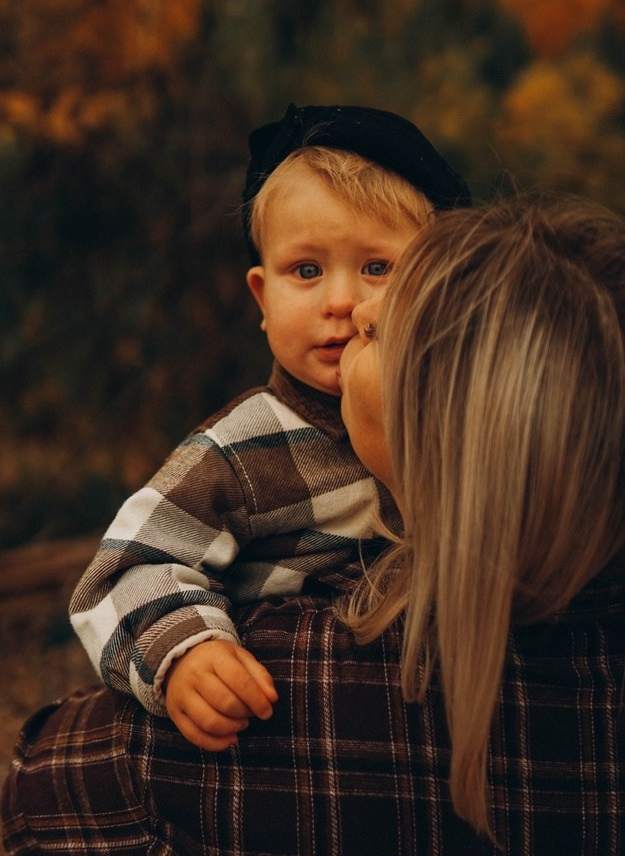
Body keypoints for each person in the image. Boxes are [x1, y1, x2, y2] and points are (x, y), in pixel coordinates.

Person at [4, 201, 625, 856]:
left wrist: (188, 648)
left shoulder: (275, 697)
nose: (352, 314)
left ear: (439, 427)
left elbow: (32, 799)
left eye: (381, 326)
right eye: (310, 271)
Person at [67, 103, 470, 751]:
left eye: (377, 268)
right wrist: (187, 653)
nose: (339, 301)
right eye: (306, 271)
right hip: (284, 734)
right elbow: (124, 571)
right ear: (262, 296)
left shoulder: (469, 425)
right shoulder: (241, 449)